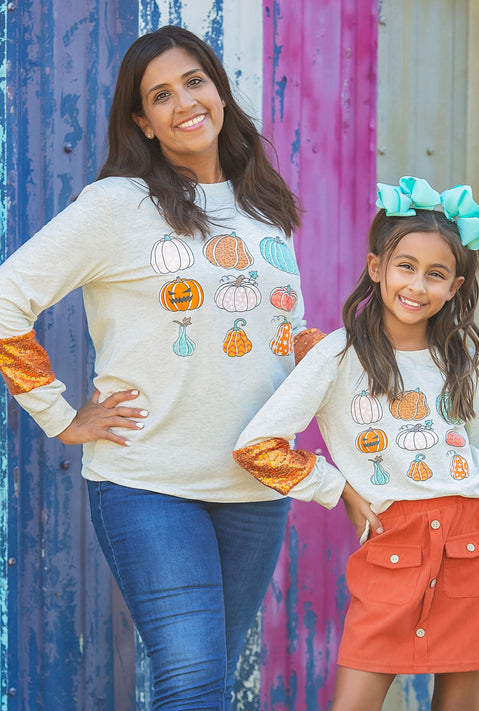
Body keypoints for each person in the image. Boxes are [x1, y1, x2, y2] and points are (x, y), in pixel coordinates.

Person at [0, 25, 325, 710]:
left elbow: (281, 334)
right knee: (192, 683)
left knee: (203, 682)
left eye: (195, 81)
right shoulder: (118, 206)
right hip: (149, 482)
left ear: (218, 90)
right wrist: (60, 414)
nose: (184, 102)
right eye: (161, 95)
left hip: (253, 487)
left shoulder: (264, 208)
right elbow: (8, 298)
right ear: (142, 122)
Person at [234, 176, 479, 711]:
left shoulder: (466, 365)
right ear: (378, 269)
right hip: (394, 545)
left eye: (436, 274)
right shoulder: (337, 357)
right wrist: (339, 489)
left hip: (476, 546)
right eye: (406, 267)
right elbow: (257, 446)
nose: (418, 285)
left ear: (455, 288)